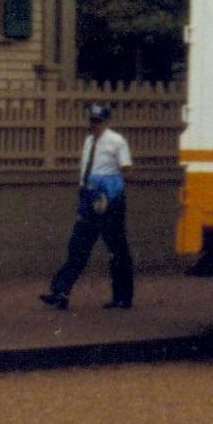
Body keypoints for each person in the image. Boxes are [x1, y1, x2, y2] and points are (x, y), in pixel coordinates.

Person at [42, 103, 133, 312]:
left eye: (98, 121)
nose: (94, 125)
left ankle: (123, 296)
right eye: (92, 120)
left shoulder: (116, 141)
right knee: (77, 246)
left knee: (117, 249)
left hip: (109, 200)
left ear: (107, 122)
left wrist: (107, 188)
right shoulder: (89, 141)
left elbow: (127, 170)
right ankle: (60, 292)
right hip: (89, 198)